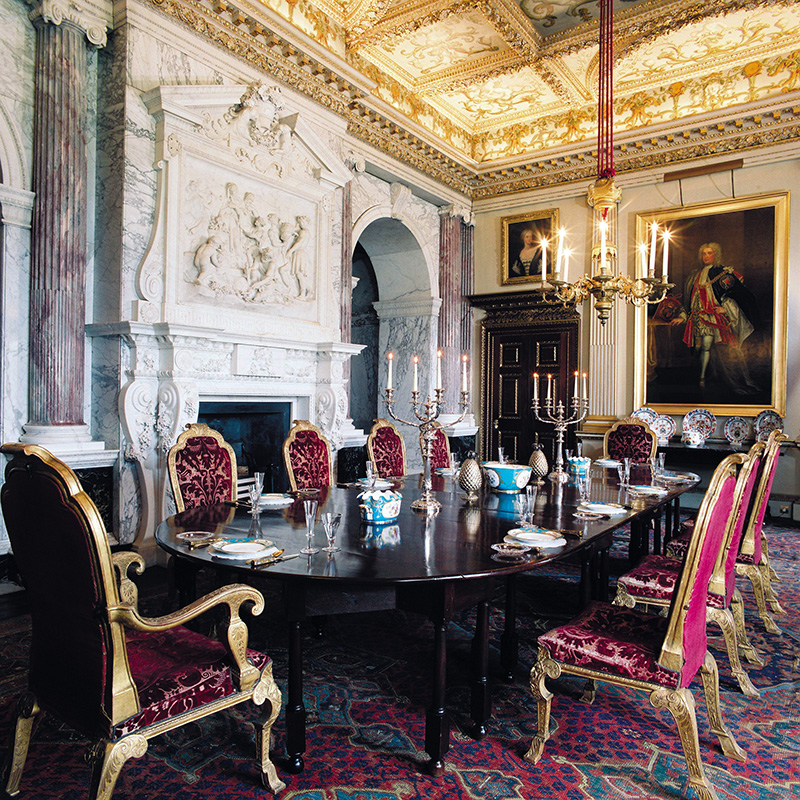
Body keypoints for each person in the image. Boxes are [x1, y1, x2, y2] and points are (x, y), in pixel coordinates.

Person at [672, 242, 760, 393]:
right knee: (699, 348)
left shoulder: (723, 273)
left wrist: (725, 308)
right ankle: (704, 378)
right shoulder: (694, 276)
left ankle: (706, 379)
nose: (706, 256)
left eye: (709, 253)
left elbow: (741, 296)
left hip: (714, 319)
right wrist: (682, 316)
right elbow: (687, 301)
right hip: (697, 319)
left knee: (715, 349)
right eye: (704, 253)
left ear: (716, 254)